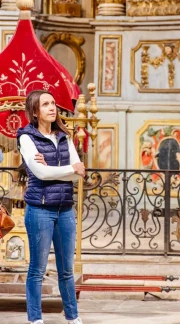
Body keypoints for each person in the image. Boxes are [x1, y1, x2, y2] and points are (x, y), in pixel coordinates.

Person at [17, 90, 86, 324]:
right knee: (37, 270)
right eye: (45, 104)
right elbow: (41, 173)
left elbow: (80, 174)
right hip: (40, 210)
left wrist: (67, 171)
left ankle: (73, 317)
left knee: (66, 270)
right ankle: (35, 319)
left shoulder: (64, 137)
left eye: (53, 103)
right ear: (35, 111)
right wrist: (69, 170)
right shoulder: (27, 137)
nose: (52, 107)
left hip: (65, 209)